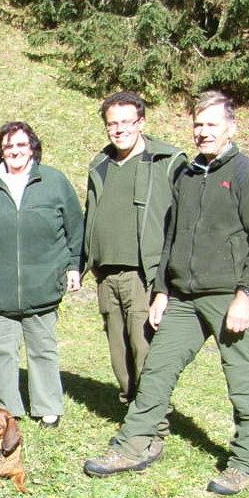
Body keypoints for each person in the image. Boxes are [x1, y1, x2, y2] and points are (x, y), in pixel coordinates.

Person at [83, 91, 249, 495]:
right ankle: (133, 445)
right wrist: (161, 291)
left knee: (241, 380)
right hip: (183, 298)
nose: (203, 132)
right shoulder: (187, 175)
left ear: (231, 127)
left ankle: (245, 463)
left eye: (211, 125)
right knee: (156, 371)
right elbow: (171, 238)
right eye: (198, 125)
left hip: (228, 297)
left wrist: (246, 295)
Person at [0, 121, 83, 427]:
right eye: (8, 146)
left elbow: (76, 230)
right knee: (2, 350)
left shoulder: (54, 182)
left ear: (32, 148)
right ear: (0, 151)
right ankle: (8, 410)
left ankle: (48, 407)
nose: (14, 151)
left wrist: (73, 266)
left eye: (21, 145)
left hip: (43, 284)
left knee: (43, 348)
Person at [81, 92, 186, 405]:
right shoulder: (100, 164)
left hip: (144, 274)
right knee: (119, 350)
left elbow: (182, 218)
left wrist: (168, 278)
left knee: (144, 348)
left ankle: (153, 419)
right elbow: (90, 215)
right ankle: (132, 408)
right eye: (112, 124)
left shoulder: (167, 162)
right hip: (106, 273)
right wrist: (82, 262)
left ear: (141, 123)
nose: (119, 129)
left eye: (127, 122)